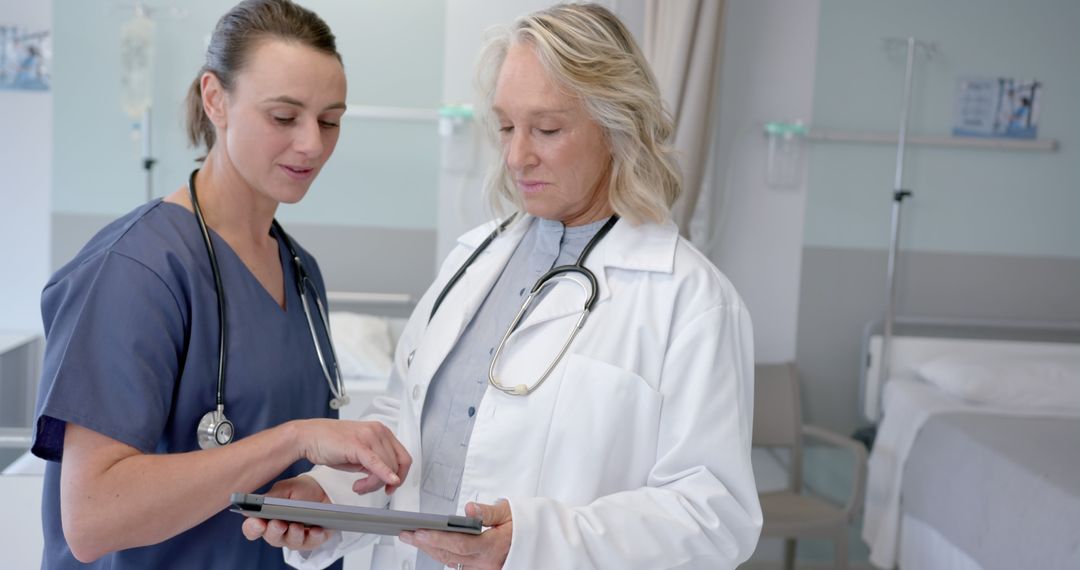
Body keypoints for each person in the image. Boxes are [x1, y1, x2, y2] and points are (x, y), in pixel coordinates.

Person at [246, 3, 761, 569]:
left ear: (618, 125)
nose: (517, 156)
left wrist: (533, 542)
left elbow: (715, 517)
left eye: (547, 129)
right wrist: (331, 502)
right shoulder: (474, 259)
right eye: (507, 127)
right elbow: (405, 424)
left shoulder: (690, 301)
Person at [31, 1, 409, 568]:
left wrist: (314, 508)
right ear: (216, 99)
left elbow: (278, 486)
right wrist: (293, 440)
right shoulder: (137, 270)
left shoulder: (299, 270)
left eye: (330, 120)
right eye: (284, 117)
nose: (312, 144)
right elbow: (91, 517)